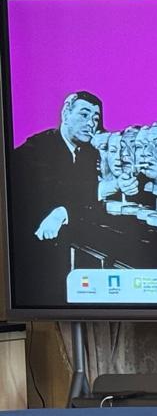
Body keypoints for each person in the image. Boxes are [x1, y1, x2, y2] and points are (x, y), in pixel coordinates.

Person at [8, 91, 103, 306]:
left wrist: (63, 212)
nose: (91, 124)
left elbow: (88, 202)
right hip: (35, 260)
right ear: (65, 113)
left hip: (74, 258)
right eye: (84, 115)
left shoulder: (91, 154)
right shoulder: (35, 150)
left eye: (95, 119)